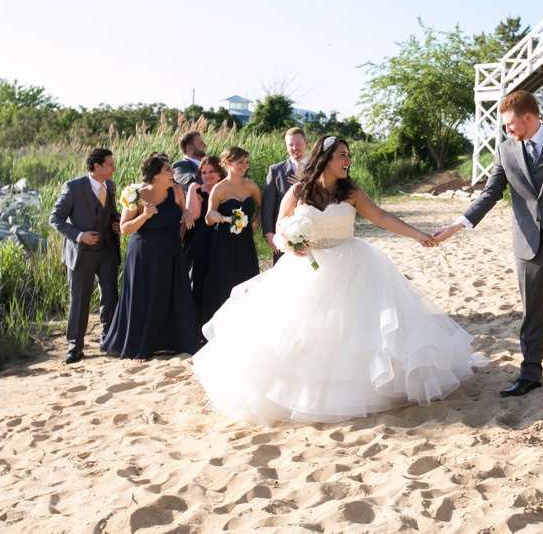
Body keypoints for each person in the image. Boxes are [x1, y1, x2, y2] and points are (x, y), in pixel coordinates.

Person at [192, 135, 486, 425]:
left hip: (352, 264)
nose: (348, 160)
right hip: (309, 267)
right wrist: (291, 244)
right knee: (302, 332)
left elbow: (381, 216)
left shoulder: (351, 192)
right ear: (325, 158)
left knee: (356, 331)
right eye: (342, 155)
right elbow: (281, 228)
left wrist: (417, 234)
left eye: (348, 155)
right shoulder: (298, 193)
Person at [434, 90, 543, 403]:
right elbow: (490, 193)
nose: (507, 129)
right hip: (527, 244)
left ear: (529, 117)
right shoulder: (505, 150)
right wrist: (459, 224)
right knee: (531, 312)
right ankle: (530, 374)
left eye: (511, 124)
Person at [102, 155, 201, 361]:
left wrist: (187, 213)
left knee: (175, 293)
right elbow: (124, 229)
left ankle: (179, 342)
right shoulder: (135, 194)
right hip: (144, 254)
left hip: (172, 250)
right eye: (168, 170)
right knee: (145, 296)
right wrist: (144, 216)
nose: (173, 173)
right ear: (156, 175)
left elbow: (184, 210)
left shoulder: (176, 191)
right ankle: (141, 346)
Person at [49, 148, 122, 364]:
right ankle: (75, 346)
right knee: (79, 299)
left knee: (110, 297)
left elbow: (110, 213)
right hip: (82, 252)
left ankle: (108, 341)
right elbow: (55, 218)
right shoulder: (73, 187)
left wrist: (117, 222)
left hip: (108, 249)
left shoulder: (111, 186)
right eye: (110, 164)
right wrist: (80, 236)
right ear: (96, 166)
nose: (113, 168)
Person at [200, 146, 263, 322]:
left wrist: (255, 223)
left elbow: (263, 207)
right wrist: (214, 215)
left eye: (246, 162)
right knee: (225, 282)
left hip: (245, 242)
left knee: (247, 279)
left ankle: (246, 322)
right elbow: (208, 218)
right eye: (240, 162)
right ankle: (221, 323)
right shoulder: (219, 189)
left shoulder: (251, 186)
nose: (245, 166)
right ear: (228, 163)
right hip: (223, 243)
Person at [186, 155, 226, 325]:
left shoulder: (225, 189)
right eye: (204, 172)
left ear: (219, 172)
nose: (208, 176)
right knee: (200, 277)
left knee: (219, 278)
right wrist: (192, 191)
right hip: (201, 238)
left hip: (222, 238)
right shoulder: (196, 190)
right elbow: (193, 215)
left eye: (212, 172)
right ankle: (200, 322)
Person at [262, 127, 309, 265]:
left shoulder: (318, 168)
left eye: (298, 143)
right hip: (284, 234)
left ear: (306, 142)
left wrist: (304, 186)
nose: (295, 148)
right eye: (290, 145)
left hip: (312, 230)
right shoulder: (276, 170)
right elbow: (268, 205)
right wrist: (269, 233)